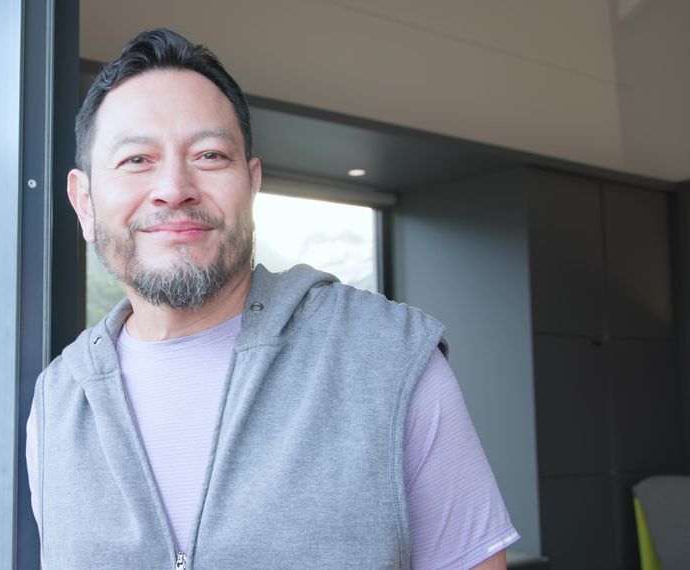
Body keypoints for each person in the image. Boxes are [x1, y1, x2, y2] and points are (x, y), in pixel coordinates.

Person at [26, 28, 519, 569]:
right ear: (84, 202)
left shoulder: (389, 358)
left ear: (252, 184)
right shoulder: (59, 400)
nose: (174, 186)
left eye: (210, 155)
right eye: (136, 159)